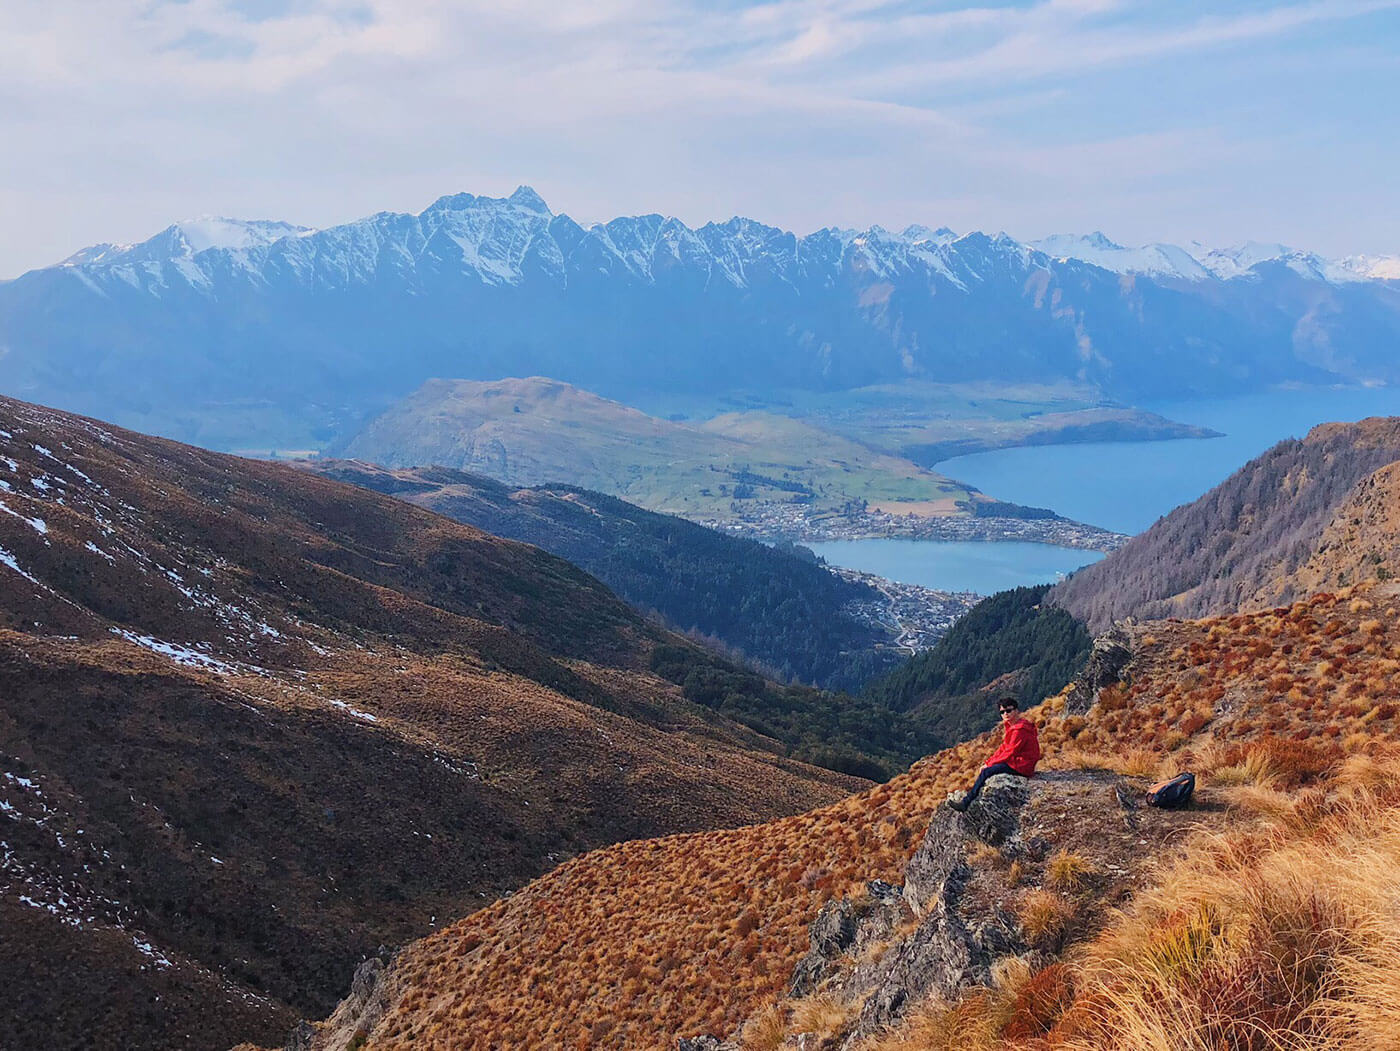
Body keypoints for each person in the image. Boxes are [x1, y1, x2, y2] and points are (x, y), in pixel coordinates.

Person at [948, 696, 1040, 811]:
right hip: (1019, 761)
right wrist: (989, 761)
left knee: (986, 772)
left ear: (1017, 711)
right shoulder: (1015, 726)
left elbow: (1010, 752)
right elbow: (1004, 748)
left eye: (1009, 710)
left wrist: (989, 765)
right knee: (988, 768)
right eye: (1002, 712)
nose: (1005, 714)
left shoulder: (1019, 730)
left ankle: (965, 803)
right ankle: (967, 800)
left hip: (1022, 765)